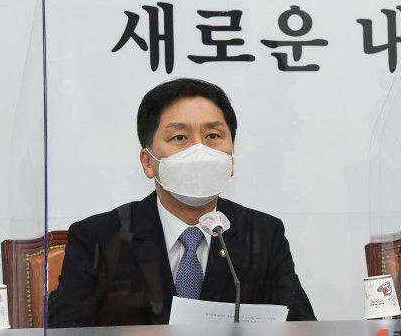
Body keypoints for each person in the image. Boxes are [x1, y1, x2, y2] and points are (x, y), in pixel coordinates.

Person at [48, 78, 315, 327]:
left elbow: (301, 327)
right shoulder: (97, 237)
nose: (199, 151)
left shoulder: (263, 234)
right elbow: (65, 330)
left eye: (213, 136)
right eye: (180, 138)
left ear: (231, 158)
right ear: (148, 162)